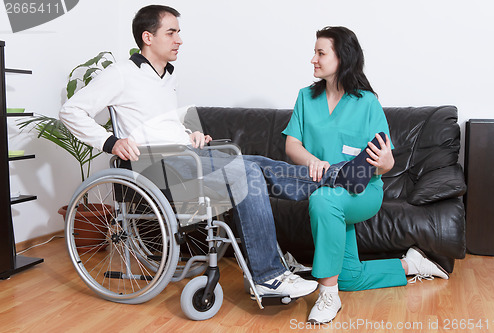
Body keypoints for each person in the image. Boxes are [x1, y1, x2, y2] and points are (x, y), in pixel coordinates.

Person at [59, 4, 321, 301]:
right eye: (171, 33)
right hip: (153, 166)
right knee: (245, 170)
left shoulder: (168, 78)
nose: (179, 40)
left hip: (181, 155)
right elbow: (71, 111)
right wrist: (110, 142)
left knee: (256, 162)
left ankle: (332, 180)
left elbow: (160, 126)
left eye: (178, 33)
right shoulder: (121, 74)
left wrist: (190, 135)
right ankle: (268, 277)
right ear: (147, 37)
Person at [281, 26, 450, 324]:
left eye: (321, 53)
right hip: (326, 189)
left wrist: (385, 162)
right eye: (315, 52)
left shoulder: (368, 102)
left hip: (362, 192)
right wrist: (313, 160)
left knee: (324, 201)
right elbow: (291, 144)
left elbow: (384, 163)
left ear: (342, 58)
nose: (313, 59)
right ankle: (410, 266)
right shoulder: (306, 97)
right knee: (349, 277)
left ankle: (327, 295)